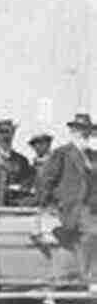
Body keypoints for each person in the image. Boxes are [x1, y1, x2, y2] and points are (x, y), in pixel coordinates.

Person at [35, 113, 97, 284]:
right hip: (71, 208)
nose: (84, 134)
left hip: (92, 207)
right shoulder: (62, 154)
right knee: (93, 232)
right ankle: (90, 278)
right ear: (72, 132)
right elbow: (46, 181)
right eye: (80, 130)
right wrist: (44, 205)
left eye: (87, 131)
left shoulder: (93, 156)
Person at [0, 119, 35, 207]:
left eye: (8, 132)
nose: (5, 136)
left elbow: (27, 185)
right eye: (2, 133)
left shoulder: (22, 161)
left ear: (13, 134)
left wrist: (19, 188)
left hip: (13, 210)